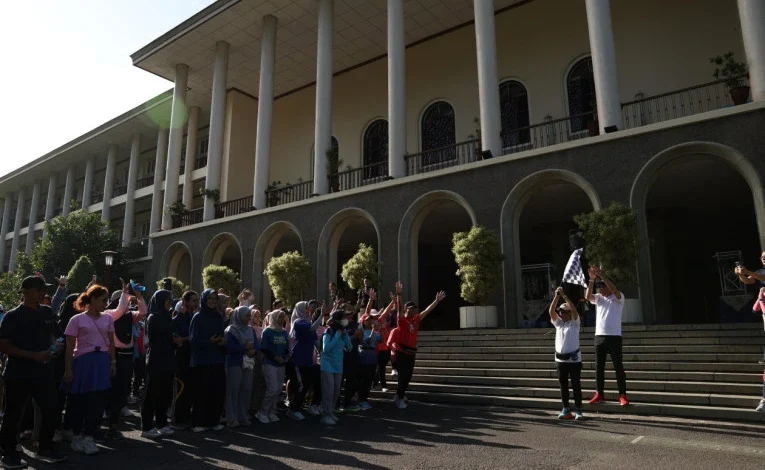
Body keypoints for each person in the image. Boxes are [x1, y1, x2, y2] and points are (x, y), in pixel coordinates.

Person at [0, 276, 70, 468]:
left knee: (50, 409)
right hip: (18, 373)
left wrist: (57, 348)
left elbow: (59, 336)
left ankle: (45, 448)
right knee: (13, 414)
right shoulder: (12, 316)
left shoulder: (46, 312)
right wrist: (33, 355)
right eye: (39, 290)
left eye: (44, 290)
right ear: (26, 292)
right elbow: (4, 346)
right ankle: (8, 453)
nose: (43, 294)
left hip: (44, 373)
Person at [62, 284, 117, 456]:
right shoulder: (76, 319)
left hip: (101, 362)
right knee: (80, 401)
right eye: (102, 300)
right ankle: (77, 436)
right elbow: (69, 347)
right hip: (83, 363)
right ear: (92, 300)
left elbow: (111, 343)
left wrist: (113, 362)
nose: (105, 304)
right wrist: (68, 369)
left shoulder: (108, 318)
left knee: (98, 401)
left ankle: (89, 436)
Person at [388, 283, 445, 409]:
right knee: (403, 376)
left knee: (408, 376)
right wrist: (398, 294)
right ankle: (400, 397)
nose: (413, 310)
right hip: (402, 352)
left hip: (411, 353)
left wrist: (436, 301)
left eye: (414, 308)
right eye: (411, 308)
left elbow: (427, 311)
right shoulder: (401, 320)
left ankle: (399, 395)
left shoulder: (416, 319)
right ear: (406, 310)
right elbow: (399, 308)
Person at [106, 280, 146, 440]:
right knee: (112, 390)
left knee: (123, 389)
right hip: (114, 355)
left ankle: (115, 422)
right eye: (126, 301)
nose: (128, 305)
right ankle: (109, 422)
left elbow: (143, 312)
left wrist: (139, 297)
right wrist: (126, 293)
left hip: (128, 355)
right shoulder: (109, 315)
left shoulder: (130, 315)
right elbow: (119, 310)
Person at [585, 266, 629, 406]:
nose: (601, 290)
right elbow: (587, 297)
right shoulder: (599, 299)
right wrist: (592, 279)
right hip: (600, 336)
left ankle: (622, 395)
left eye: (603, 287)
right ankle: (599, 393)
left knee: (618, 367)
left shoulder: (618, 298)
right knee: (599, 367)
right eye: (600, 287)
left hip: (614, 336)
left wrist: (602, 275)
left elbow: (615, 290)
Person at [141, 289, 179, 439]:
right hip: (156, 359)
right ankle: (147, 426)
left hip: (168, 359)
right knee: (152, 393)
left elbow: (171, 335)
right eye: (167, 301)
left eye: (171, 301)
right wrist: (171, 339)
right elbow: (155, 339)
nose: (170, 304)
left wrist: (176, 341)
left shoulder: (168, 317)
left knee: (165, 393)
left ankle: (162, 423)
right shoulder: (153, 317)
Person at [189, 289, 226, 433]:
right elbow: (193, 339)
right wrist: (209, 341)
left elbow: (221, 334)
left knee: (216, 392)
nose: (212, 301)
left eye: (215, 298)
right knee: (201, 392)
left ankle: (213, 421)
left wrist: (222, 341)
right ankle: (198, 422)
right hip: (202, 360)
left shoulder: (218, 316)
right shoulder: (198, 317)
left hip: (216, 358)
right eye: (209, 298)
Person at [549, 287, 583, 420]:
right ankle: (566, 408)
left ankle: (578, 410)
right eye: (560, 312)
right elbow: (551, 312)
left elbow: (575, 311)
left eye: (563, 312)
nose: (561, 314)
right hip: (560, 360)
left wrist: (565, 296)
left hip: (574, 360)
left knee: (576, 385)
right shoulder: (558, 324)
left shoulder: (575, 323)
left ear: (569, 313)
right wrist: (557, 296)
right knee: (563, 386)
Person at [287, 300, 323, 420]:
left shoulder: (307, 322)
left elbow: (315, 340)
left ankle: (304, 406)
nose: (309, 310)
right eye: (306, 308)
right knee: (300, 385)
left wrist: (322, 353)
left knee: (309, 383)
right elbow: (312, 329)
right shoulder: (298, 322)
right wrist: (321, 316)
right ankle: (293, 409)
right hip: (298, 358)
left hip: (308, 359)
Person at [224, 306, 257, 427]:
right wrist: (245, 349)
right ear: (239, 315)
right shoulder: (230, 330)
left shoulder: (250, 329)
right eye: (246, 315)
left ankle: (243, 416)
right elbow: (229, 347)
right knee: (233, 390)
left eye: (249, 315)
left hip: (248, 362)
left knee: (246, 389)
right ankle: (231, 418)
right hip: (234, 362)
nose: (249, 318)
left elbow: (256, 344)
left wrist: (253, 351)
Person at [257, 310, 290, 424]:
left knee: (278, 389)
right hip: (270, 363)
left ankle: (272, 411)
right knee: (272, 389)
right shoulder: (267, 331)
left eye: (283, 317)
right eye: (279, 317)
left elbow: (286, 348)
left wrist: (285, 357)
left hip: (281, 364)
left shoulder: (284, 332)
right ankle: (262, 412)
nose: (282, 320)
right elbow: (264, 348)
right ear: (274, 318)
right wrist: (275, 357)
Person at [320, 310, 353, 425]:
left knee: (336, 391)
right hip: (327, 364)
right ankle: (325, 414)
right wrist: (337, 336)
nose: (346, 319)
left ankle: (331, 411)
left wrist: (345, 337)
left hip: (338, 365)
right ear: (338, 319)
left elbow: (349, 348)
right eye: (344, 317)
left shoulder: (343, 331)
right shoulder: (328, 331)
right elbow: (326, 348)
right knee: (328, 391)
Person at [172, 291, 198, 428]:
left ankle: (186, 416)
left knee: (190, 389)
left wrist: (187, 339)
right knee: (181, 388)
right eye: (193, 300)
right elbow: (177, 340)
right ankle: (177, 418)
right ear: (185, 302)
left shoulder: (195, 317)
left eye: (197, 300)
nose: (195, 303)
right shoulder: (177, 319)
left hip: (192, 357)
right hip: (180, 358)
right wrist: (189, 339)